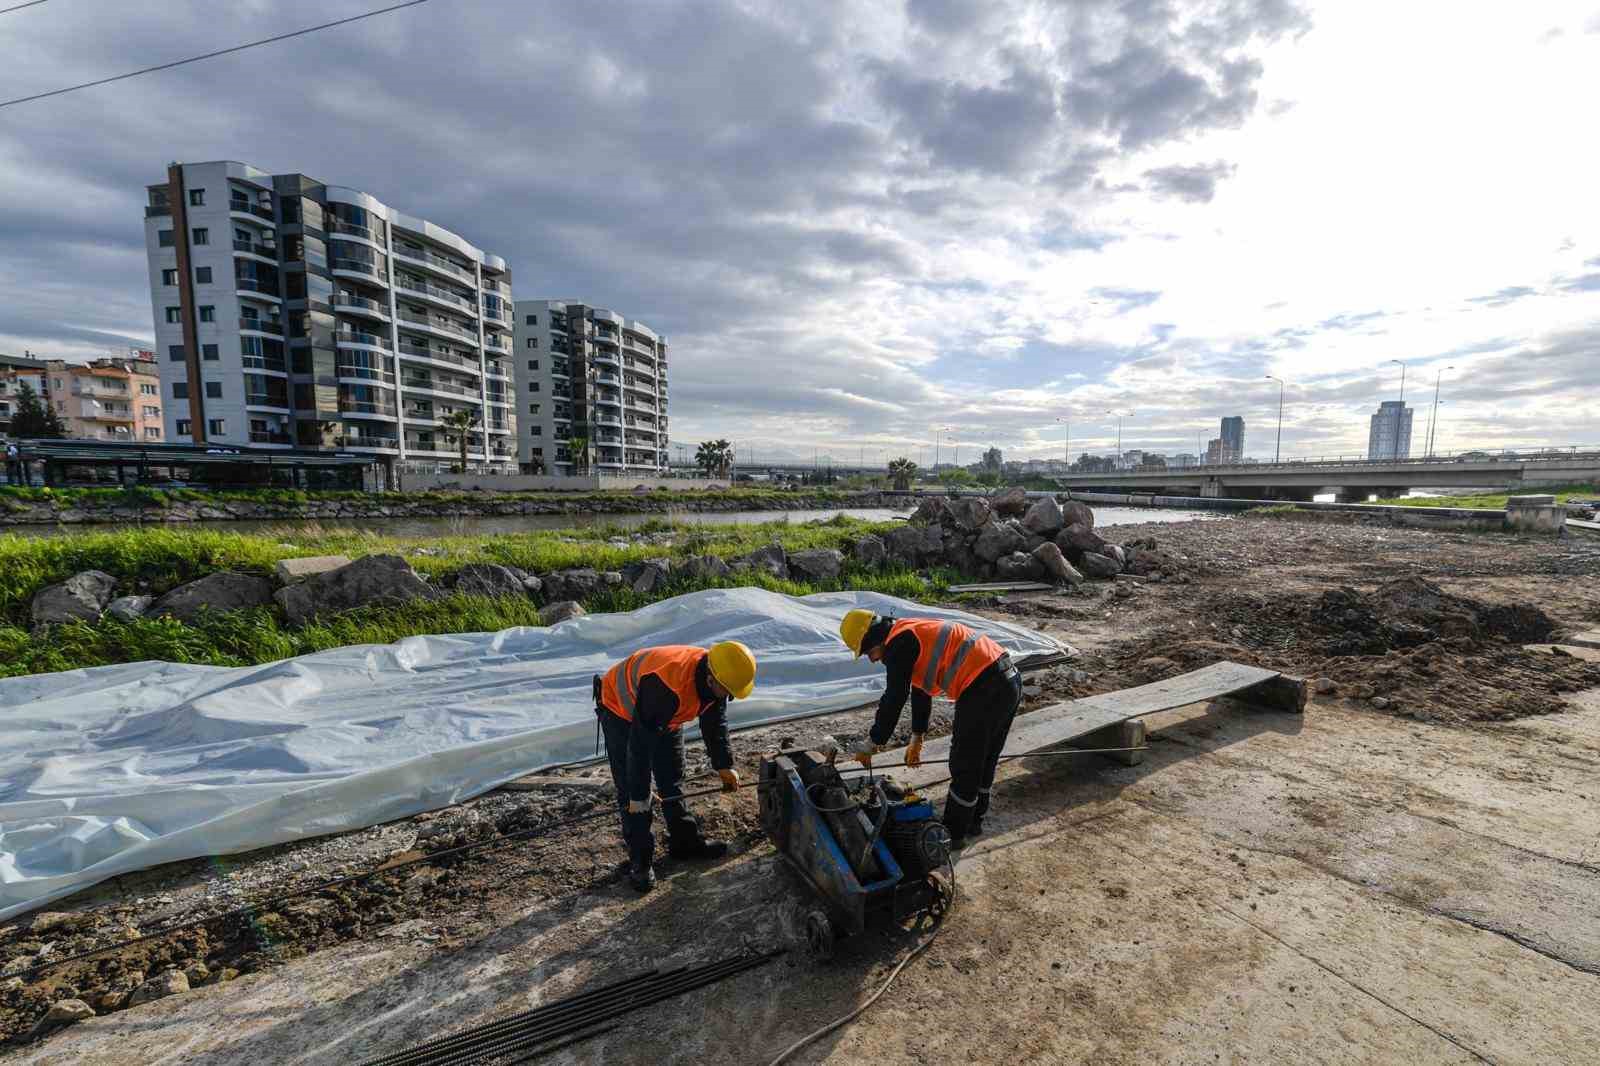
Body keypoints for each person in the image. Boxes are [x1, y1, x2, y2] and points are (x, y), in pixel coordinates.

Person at [838, 609, 1022, 845]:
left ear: (874, 637)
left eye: (869, 652)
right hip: (1008, 680)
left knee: (964, 763)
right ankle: (973, 821)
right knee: (983, 759)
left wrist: (874, 741)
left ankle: (951, 835)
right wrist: (918, 737)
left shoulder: (898, 644)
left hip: (984, 687)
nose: (872, 659)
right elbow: (921, 687)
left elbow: (894, 696)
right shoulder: (910, 632)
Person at [595, 641, 758, 892]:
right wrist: (639, 796)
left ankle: (685, 843)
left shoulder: (721, 673)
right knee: (632, 792)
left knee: (672, 778)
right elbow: (639, 749)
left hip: (666, 715)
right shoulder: (667, 687)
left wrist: (724, 765)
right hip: (621, 713)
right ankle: (640, 862)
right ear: (711, 678)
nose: (727, 696)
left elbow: (716, 723)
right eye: (726, 691)